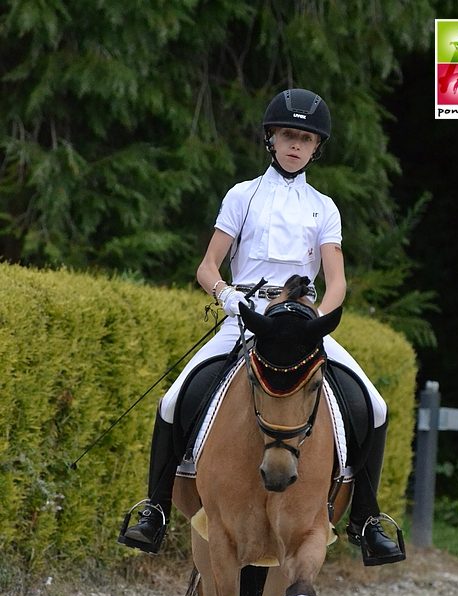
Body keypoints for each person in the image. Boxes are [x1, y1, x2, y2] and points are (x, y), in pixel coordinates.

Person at [118, 88, 403, 564]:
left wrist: (319, 320)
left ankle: (366, 520)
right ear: (271, 138)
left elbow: (336, 281)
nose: (296, 145)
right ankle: (156, 510)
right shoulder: (242, 195)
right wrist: (227, 296)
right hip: (246, 316)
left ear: (316, 148)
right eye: (289, 135)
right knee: (172, 401)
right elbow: (208, 265)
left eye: (307, 139)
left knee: (373, 405)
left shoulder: (324, 207)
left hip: (302, 323)